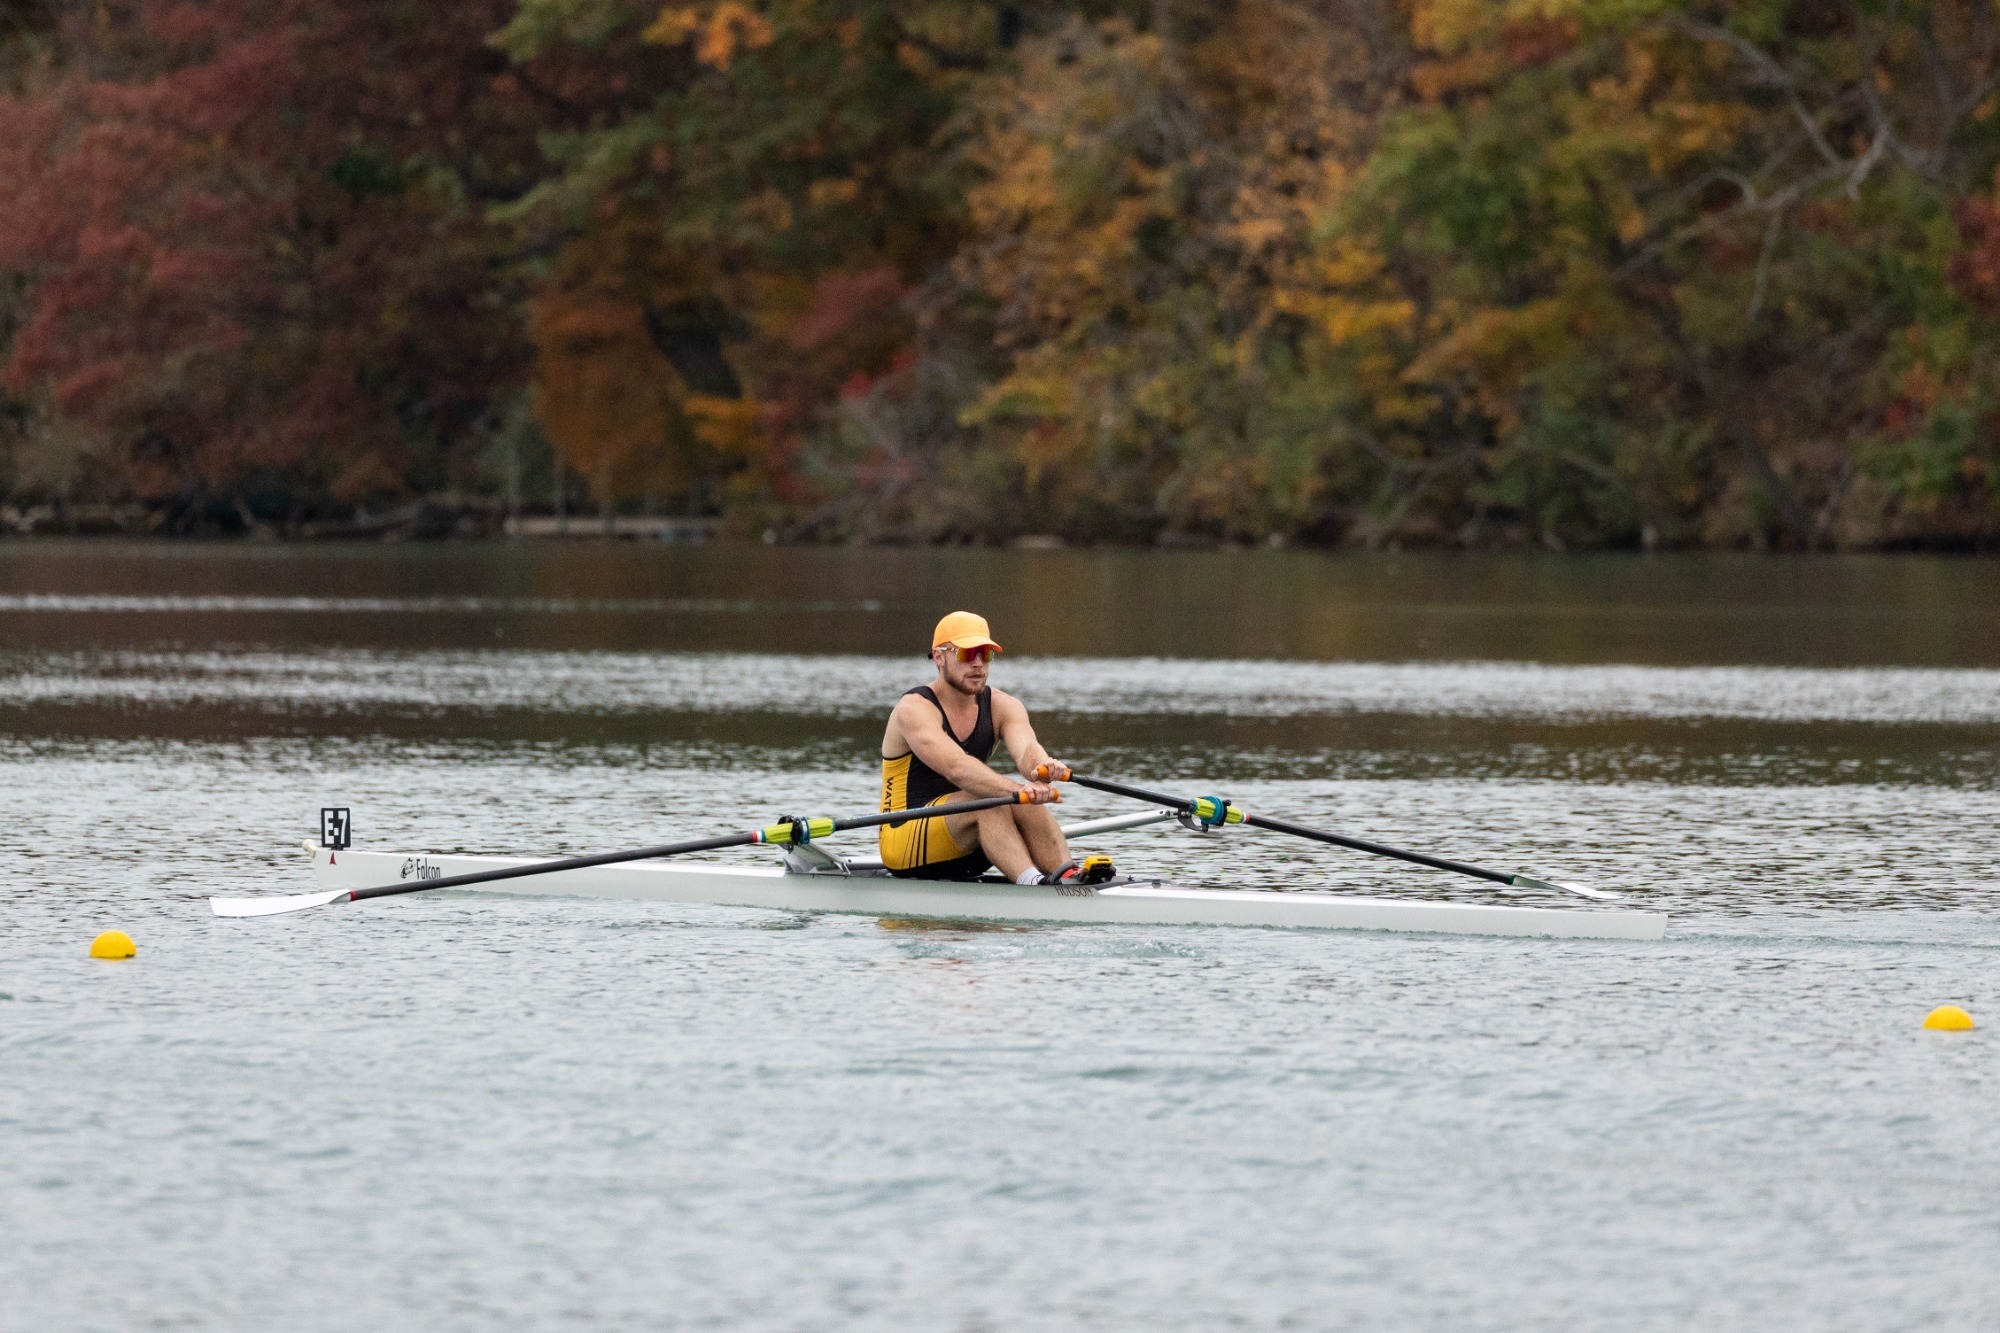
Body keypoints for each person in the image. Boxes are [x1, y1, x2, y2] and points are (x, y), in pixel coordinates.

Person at [878, 611, 1105, 885]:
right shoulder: (914, 709)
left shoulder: (1003, 705)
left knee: (1021, 799)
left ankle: (1067, 876)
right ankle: (1032, 883)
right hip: (905, 839)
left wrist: (1043, 767)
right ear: (939, 657)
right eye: (967, 654)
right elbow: (956, 767)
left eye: (985, 654)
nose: (977, 664)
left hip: (965, 840)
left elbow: (1027, 750)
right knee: (997, 798)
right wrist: (1018, 791)